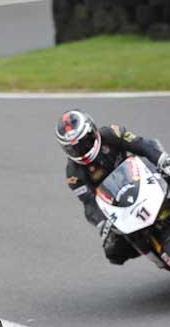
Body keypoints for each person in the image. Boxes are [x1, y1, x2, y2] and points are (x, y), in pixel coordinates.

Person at [56, 110, 170, 265]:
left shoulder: (111, 134)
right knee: (113, 250)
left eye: (84, 143)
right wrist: (102, 223)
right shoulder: (73, 174)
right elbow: (89, 203)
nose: (80, 150)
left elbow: (142, 145)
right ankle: (154, 251)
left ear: (92, 132)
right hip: (119, 205)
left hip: (143, 176)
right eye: (73, 149)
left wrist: (162, 160)